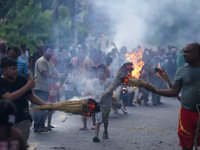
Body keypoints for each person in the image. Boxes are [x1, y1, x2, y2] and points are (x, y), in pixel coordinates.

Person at [144, 42, 200, 150]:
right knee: (186, 145)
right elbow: (174, 91)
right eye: (184, 52)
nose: (183, 54)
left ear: (196, 53)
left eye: (187, 52)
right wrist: (154, 90)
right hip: (186, 113)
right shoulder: (182, 71)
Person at [0, 57, 48, 144]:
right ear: (4, 70)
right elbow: (9, 98)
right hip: (4, 120)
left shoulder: (22, 80)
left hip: (23, 118)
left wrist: (46, 105)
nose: (16, 71)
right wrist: (27, 87)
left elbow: (31, 97)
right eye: (13, 68)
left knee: (18, 144)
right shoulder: (1, 82)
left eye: (16, 68)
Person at [33, 46, 63, 132]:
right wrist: (56, 77)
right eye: (49, 51)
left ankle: (41, 126)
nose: (51, 53)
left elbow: (56, 73)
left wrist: (62, 76)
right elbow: (44, 74)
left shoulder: (50, 62)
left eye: (52, 52)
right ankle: (37, 126)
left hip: (45, 88)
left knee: (43, 107)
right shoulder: (42, 61)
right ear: (44, 51)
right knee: (39, 108)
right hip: (39, 88)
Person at [92, 64, 112, 142]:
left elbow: (111, 93)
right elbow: (93, 92)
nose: (100, 72)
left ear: (105, 72)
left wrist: (107, 93)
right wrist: (95, 98)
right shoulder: (95, 82)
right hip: (98, 104)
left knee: (105, 119)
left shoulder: (108, 82)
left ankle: (105, 131)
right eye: (99, 71)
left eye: (102, 71)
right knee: (98, 118)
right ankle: (96, 135)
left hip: (106, 104)